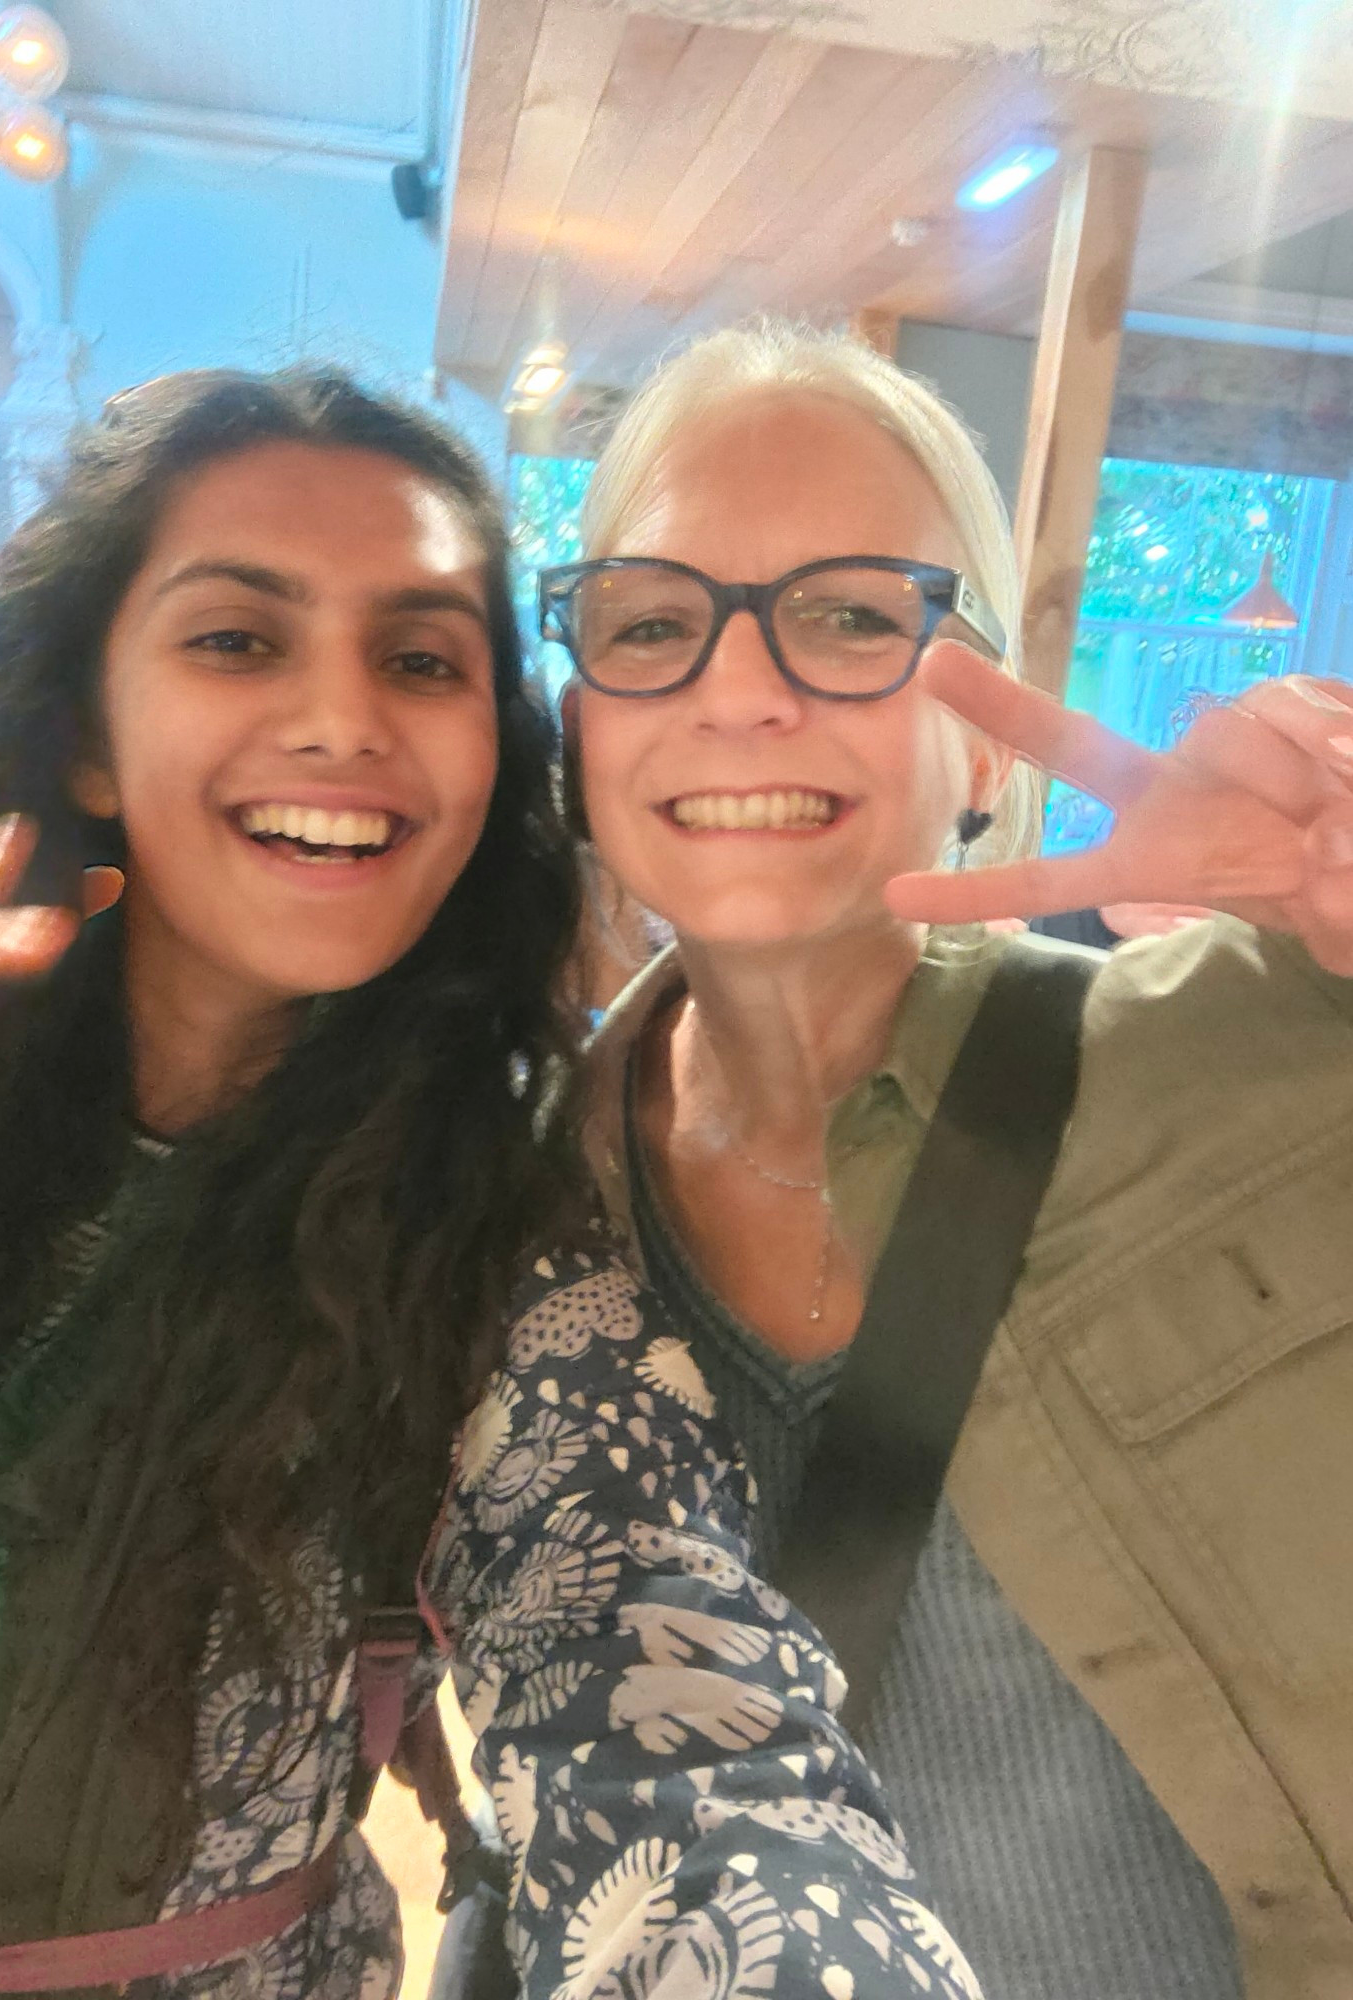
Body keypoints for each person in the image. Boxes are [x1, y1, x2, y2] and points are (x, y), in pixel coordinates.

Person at [0, 364, 983, 2000]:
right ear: (91, 733)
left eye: (420, 657)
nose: (343, 720)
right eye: (238, 637)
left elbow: (665, 1707)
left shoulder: (499, 1233)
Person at [556, 319, 1353, 2000]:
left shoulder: (1231, 1058)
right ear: (582, 725)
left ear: (989, 744)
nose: (740, 688)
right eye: (652, 622)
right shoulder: (497, 1199)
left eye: (851, 616)